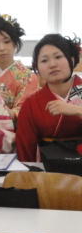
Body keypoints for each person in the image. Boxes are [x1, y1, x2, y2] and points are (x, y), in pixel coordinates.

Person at [16, 34, 82, 162]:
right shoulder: (31, 104)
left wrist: (78, 110)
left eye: (58, 57)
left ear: (72, 59)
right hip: (47, 169)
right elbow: (25, 148)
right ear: (37, 68)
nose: (52, 64)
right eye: (44, 60)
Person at [0, 12, 39, 119]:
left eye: (6, 41)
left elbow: (24, 111)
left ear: (15, 43)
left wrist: (0, 106)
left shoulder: (28, 77)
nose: (1, 48)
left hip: (11, 127)